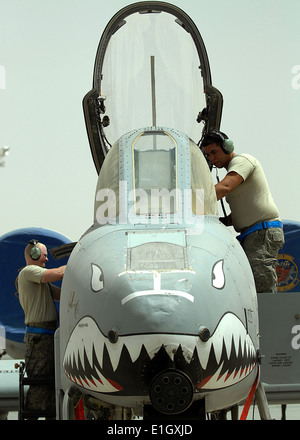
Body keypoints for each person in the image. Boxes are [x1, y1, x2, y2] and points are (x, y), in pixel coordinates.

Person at [201, 130, 284, 293]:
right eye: (208, 155)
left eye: (214, 152)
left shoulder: (242, 161)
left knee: (261, 287)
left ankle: (269, 317)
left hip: (262, 233)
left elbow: (224, 188)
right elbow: (241, 211)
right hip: (252, 234)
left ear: (227, 147)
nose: (212, 158)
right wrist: (221, 221)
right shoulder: (234, 171)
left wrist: (188, 199)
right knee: (248, 286)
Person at [18, 239, 66, 419]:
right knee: (39, 389)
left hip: (48, 336)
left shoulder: (40, 282)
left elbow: (61, 294)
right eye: (44, 256)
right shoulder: (29, 272)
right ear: (34, 255)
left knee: (52, 388)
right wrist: (77, 264)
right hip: (39, 339)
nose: (46, 259)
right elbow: (57, 273)